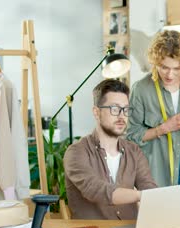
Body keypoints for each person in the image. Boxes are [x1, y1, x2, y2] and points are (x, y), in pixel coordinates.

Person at [126, 30, 180, 221]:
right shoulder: (141, 90)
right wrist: (163, 128)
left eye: (177, 68)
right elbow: (131, 135)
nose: (170, 74)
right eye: (164, 67)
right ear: (155, 61)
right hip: (159, 177)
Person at [64, 79, 157, 220]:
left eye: (125, 109)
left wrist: (158, 197)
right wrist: (140, 195)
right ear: (96, 112)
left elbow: (148, 186)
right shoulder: (76, 152)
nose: (121, 116)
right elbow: (95, 190)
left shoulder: (134, 151)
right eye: (114, 109)